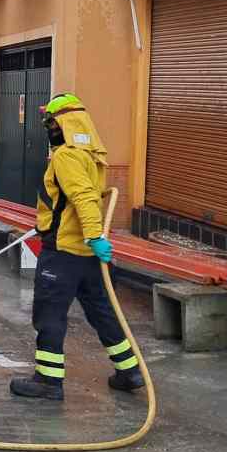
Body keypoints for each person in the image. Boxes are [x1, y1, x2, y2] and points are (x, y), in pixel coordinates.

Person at [10, 92, 144, 401]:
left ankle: (48, 380)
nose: (49, 130)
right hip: (86, 254)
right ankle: (129, 371)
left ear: (60, 124)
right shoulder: (93, 154)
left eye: (50, 124)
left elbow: (83, 197)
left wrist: (95, 236)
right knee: (102, 312)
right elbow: (73, 202)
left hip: (65, 252)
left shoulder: (66, 155)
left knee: (50, 313)